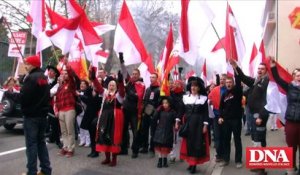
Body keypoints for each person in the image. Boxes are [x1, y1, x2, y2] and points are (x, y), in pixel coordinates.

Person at [6, 55, 52, 175]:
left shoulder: (31, 78)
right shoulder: (44, 77)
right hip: (42, 115)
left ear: (33, 65)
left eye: (27, 63)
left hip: (31, 117)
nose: (25, 66)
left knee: (31, 145)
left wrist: (10, 94)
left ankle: (32, 171)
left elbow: (23, 98)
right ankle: (46, 170)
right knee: (41, 143)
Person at [231, 59, 269, 174]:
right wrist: (235, 66)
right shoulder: (256, 81)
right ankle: (257, 165)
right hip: (252, 114)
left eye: (262, 69)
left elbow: (268, 102)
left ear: (266, 71)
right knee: (254, 139)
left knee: (260, 140)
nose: (259, 70)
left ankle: (262, 169)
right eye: (258, 68)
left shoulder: (267, 82)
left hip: (259, 116)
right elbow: (243, 77)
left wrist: (261, 116)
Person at [271, 60, 300, 175]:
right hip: (291, 122)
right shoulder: (289, 87)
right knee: (291, 147)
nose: (299, 77)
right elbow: (277, 79)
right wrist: (273, 66)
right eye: (297, 75)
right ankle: (292, 169)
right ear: (293, 77)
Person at [180, 77, 210, 174]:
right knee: (188, 144)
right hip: (188, 123)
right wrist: (177, 121)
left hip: (198, 124)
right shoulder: (185, 98)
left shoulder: (204, 99)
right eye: (192, 86)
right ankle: (190, 163)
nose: (193, 88)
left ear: (199, 88)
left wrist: (205, 125)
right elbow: (181, 111)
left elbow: (206, 113)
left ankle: (194, 165)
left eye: (195, 86)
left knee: (196, 144)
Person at [119, 53, 146, 158]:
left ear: (139, 75)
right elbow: (124, 71)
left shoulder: (141, 85)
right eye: (133, 73)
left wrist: (129, 92)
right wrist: (121, 60)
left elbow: (137, 96)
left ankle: (135, 150)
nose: (134, 75)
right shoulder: (129, 82)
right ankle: (124, 148)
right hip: (126, 109)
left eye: (136, 74)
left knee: (135, 131)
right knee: (124, 129)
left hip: (135, 111)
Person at [96, 71, 125, 167]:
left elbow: (122, 90)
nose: (111, 86)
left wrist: (120, 81)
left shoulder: (119, 96)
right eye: (110, 85)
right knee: (104, 135)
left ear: (116, 86)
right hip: (105, 117)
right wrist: (93, 78)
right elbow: (98, 87)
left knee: (113, 137)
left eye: (113, 85)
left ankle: (114, 159)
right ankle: (107, 158)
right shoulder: (104, 93)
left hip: (115, 119)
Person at [218, 74, 243, 168]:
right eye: (227, 82)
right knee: (226, 140)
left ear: (233, 83)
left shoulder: (237, 91)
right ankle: (226, 159)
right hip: (226, 121)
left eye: (230, 82)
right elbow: (221, 107)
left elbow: (238, 79)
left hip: (236, 120)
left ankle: (238, 160)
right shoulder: (224, 94)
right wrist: (220, 116)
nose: (228, 84)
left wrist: (234, 67)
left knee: (237, 140)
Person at [55, 60, 77, 158]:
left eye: (65, 74)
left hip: (69, 109)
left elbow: (72, 75)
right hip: (61, 110)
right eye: (63, 74)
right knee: (63, 131)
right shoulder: (60, 87)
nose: (64, 75)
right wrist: (57, 110)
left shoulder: (71, 84)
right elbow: (57, 100)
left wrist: (67, 66)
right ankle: (65, 146)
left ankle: (71, 148)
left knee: (70, 130)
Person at [80, 67, 103, 158]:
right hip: (89, 113)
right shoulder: (89, 90)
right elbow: (86, 99)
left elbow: (96, 102)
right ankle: (93, 150)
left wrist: (93, 96)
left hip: (97, 114)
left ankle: (97, 150)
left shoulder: (102, 92)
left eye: (99, 81)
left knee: (95, 132)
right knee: (91, 132)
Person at [152, 97, 179, 168]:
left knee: (165, 148)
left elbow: (175, 120)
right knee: (160, 147)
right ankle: (160, 160)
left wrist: (176, 124)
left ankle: (165, 160)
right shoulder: (160, 111)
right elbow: (154, 118)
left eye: (166, 103)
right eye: (163, 103)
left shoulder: (173, 112)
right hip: (159, 131)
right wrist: (158, 110)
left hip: (168, 132)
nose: (164, 104)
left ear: (169, 104)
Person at [139, 72, 160, 156]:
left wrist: (154, 111)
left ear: (157, 78)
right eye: (151, 77)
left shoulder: (158, 90)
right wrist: (143, 109)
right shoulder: (148, 89)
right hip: (146, 112)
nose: (151, 79)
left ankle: (152, 148)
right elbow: (145, 100)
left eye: (153, 77)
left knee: (153, 131)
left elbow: (159, 103)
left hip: (153, 113)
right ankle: (145, 147)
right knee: (144, 130)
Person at [208, 74, 227, 162]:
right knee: (217, 135)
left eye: (224, 79)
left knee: (225, 136)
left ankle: (224, 153)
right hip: (216, 116)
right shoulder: (215, 89)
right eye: (221, 79)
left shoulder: (229, 90)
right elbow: (209, 100)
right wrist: (210, 102)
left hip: (226, 117)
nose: (222, 81)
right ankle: (219, 154)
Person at [45, 65, 62, 149]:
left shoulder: (57, 83)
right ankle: (52, 137)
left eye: (52, 71)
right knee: (48, 122)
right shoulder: (44, 80)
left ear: (55, 74)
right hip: (44, 104)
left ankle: (58, 141)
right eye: (49, 71)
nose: (49, 72)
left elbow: (51, 93)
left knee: (54, 122)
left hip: (53, 104)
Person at [169, 80, 185, 162]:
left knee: (180, 138)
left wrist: (178, 120)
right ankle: (173, 155)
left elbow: (181, 108)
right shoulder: (170, 94)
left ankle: (181, 154)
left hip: (180, 120)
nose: (175, 85)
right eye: (174, 83)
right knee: (173, 138)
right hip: (171, 119)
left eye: (177, 84)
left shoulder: (184, 96)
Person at [76, 80, 91, 147]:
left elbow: (87, 100)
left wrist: (80, 95)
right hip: (79, 112)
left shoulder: (88, 92)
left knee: (86, 127)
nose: (82, 85)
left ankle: (88, 141)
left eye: (84, 84)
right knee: (80, 126)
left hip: (86, 112)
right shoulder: (77, 92)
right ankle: (82, 140)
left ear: (86, 85)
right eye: (81, 84)